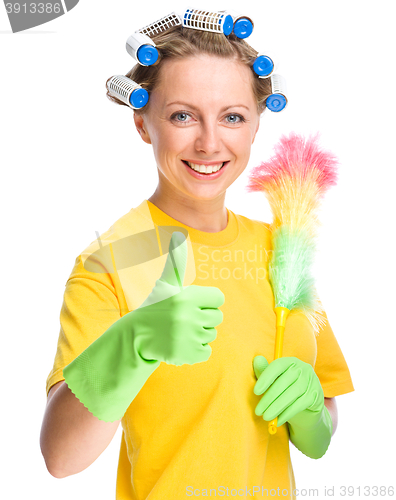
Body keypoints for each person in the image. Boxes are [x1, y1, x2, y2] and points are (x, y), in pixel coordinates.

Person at [40, 16, 354, 500]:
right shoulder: (116, 259)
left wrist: (314, 414)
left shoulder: (281, 249)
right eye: (183, 116)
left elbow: (324, 414)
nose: (209, 143)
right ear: (143, 123)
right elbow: (61, 458)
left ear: (255, 125)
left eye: (232, 117)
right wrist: (132, 343)